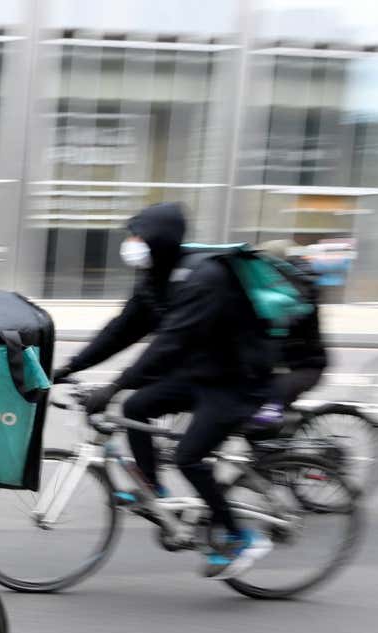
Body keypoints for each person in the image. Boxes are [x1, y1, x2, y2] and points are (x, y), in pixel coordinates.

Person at [56, 203, 275, 579]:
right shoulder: (156, 276)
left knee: (189, 456)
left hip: (237, 381)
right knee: (137, 407)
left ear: (158, 240)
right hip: (200, 372)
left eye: (138, 236)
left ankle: (241, 537)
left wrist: (111, 388)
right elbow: (121, 330)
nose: (131, 244)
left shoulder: (203, 278)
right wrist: (69, 367)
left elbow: (167, 346)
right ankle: (155, 493)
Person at [248, 240, 327, 427]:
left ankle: (282, 450)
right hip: (282, 362)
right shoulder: (276, 286)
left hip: (305, 366)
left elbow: (287, 320)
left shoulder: (299, 289)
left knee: (266, 409)